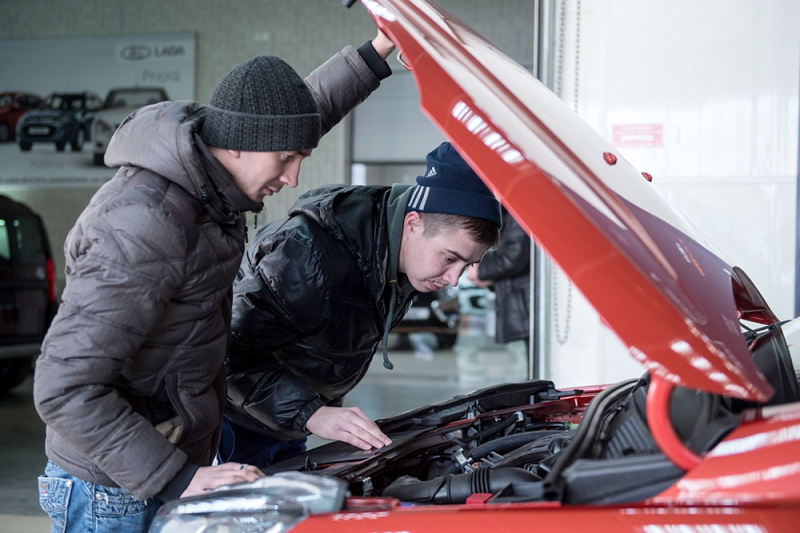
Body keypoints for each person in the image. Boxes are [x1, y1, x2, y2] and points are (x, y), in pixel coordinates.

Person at [32, 31, 396, 533]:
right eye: (287, 159)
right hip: (114, 488)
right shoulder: (145, 225)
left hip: (164, 456)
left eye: (301, 159)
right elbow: (63, 386)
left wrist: (376, 52)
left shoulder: (210, 175)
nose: (293, 179)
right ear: (241, 144)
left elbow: (301, 112)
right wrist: (176, 478)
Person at [222, 142, 503, 468]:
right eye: (450, 258)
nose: (454, 279)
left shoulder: (396, 261)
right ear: (413, 224)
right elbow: (229, 356)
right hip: (234, 425)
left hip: (288, 419)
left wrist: (310, 412)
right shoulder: (306, 255)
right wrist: (313, 413)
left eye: (468, 265)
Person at [466, 207, 531, 351]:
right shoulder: (509, 214)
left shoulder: (517, 214)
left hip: (527, 301)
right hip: (524, 300)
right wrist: (491, 280)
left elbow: (515, 257)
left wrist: (481, 270)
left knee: (534, 350)